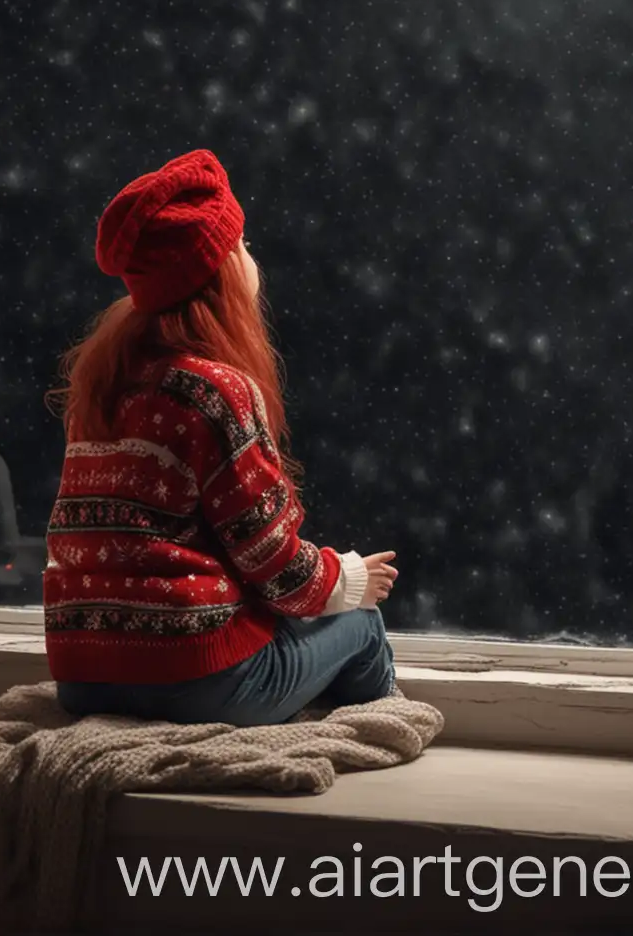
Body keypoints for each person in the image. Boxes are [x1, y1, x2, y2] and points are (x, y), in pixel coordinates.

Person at [44, 147, 398, 725]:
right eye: (243, 245)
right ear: (219, 270)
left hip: (82, 680)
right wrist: (352, 579)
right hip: (190, 683)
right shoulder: (215, 391)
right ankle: (378, 725)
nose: (251, 258)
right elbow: (278, 572)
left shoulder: (103, 387)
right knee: (361, 622)